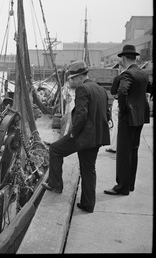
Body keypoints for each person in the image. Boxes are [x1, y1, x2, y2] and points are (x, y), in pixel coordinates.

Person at [42, 60, 111, 213]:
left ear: (80, 77)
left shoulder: (82, 89)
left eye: (72, 78)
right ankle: (88, 204)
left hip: (84, 136)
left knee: (55, 149)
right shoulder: (100, 89)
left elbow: (81, 114)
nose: (71, 81)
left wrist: (74, 132)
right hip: (97, 137)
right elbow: (107, 112)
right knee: (88, 169)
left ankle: (55, 184)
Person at [104, 44, 153, 196]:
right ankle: (129, 185)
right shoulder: (143, 74)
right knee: (133, 151)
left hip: (128, 118)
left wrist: (124, 109)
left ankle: (121, 187)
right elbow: (150, 88)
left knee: (124, 153)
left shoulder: (127, 74)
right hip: (140, 118)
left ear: (124, 58)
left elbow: (122, 91)